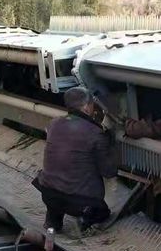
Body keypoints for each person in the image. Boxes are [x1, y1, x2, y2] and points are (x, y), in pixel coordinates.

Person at [33, 86, 117, 233]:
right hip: (79, 202)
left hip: (48, 194)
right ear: (86, 107)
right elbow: (109, 172)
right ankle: (84, 220)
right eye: (92, 104)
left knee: (57, 194)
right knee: (103, 212)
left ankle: (53, 220)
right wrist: (112, 145)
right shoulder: (96, 133)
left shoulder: (54, 123)